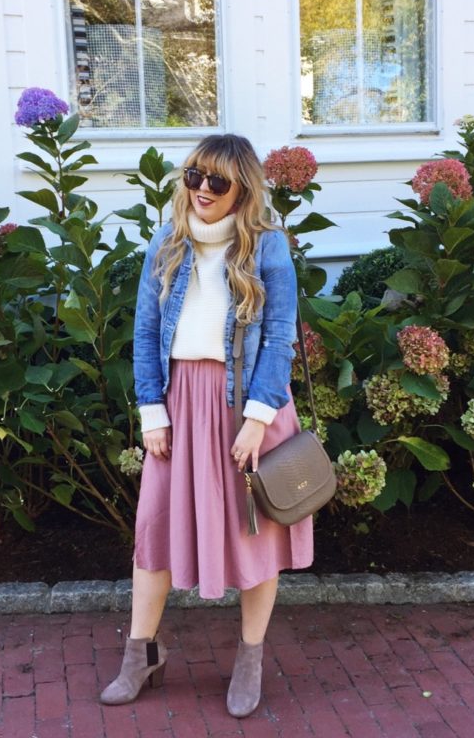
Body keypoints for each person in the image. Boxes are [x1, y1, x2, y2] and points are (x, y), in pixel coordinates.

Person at [100, 134, 314, 718]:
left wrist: (257, 419)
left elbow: (279, 336)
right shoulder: (166, 245)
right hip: (179, 406)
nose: (201, 189)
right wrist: (151, 409)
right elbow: (145, 332)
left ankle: (249, 658)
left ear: (242, 187)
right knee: (155, 528)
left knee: (254, 538)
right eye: (195, 175)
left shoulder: (267, 248)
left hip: (246, 407)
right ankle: (140, 653)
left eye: (217, 181)